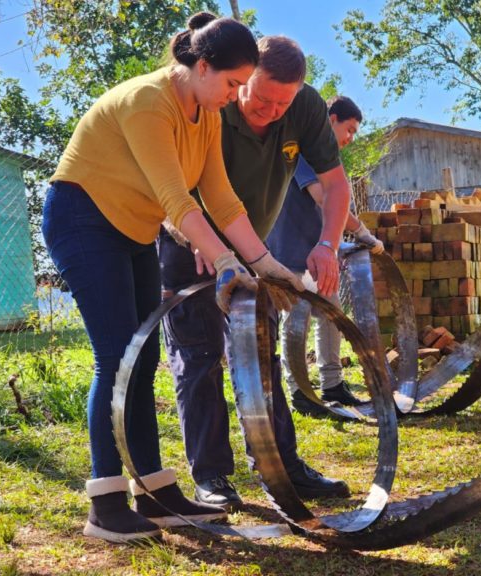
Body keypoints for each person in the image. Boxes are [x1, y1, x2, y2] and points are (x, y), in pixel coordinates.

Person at [42, 13, 303, 544]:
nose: (235, 96)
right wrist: (225, 261)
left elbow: (222, 200)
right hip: (82, 220)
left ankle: (156, 494)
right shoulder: (149, 102)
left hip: (130, 228)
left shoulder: (205, 112)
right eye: (232, 84)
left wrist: (265, 263)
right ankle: (106, 504)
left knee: (144, 356)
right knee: (116, 357)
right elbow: (175, 200)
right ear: (201, 65)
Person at [159, 36, 353, 509]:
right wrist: (202, 241)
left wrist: (327, 244)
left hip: (253, 250)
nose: (269, 110)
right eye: (260, 97)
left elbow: (335, 182)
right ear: (243, 78)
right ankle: (211, 477)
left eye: (281, 103)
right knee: (200, 357)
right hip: (187, 239)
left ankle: (280, 467)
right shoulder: (213, 99)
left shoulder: (303, 107)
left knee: (261, 353)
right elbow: (170, 187)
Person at [266, 96, 384, 416]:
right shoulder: (303, 153)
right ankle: (301, 393)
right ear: (330, 119)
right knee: (298, 321)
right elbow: (323, 198)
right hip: (292, 253)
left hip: (321, 256)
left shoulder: (324, 158)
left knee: (332, 316)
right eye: (349, 129)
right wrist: (361, 232)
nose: (351, 138)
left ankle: (332, 385)